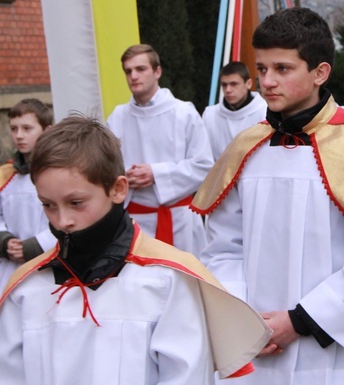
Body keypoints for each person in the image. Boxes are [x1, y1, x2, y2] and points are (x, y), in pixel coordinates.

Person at [193, 7, 344, 384]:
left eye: (283, 69)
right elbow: (224, 247)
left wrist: (300, 320)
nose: (267, 81)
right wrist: (244, 319)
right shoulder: (246, 147)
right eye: (262, 69)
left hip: (337, 352)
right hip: (259, 347)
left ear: (320, 73)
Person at [0, 115, 271, 383]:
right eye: (48, 205)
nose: (62, 220)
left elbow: (185, 375)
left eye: (76, 202)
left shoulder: (165, 280)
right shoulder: (26, 290)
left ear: (118, 189)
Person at [107, 44, 213, 256]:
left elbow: (204, 166)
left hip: (180, 220)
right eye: (128, 71)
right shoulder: (118, 117)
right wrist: (125, 176)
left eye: (140, 69)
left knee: (186, 282)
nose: (133, 76)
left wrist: (155, 173)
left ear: (157, 71)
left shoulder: (184, 112)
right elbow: (106, 166)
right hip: (135, 220)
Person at [0, 99, 55, 289]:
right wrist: (4, 241)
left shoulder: (59, 173)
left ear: (47, 130)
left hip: (47, 266)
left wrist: (35, 246)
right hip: (9, 268)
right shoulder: (6, 175)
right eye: (14, 129)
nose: (19, 136)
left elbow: (72, 219)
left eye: (26, 128)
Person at [202, 61, 267, 160]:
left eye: (234, 84)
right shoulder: (210, 115)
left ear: (248, 84)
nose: (228, 90)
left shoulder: (265, 112)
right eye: (224, 85)